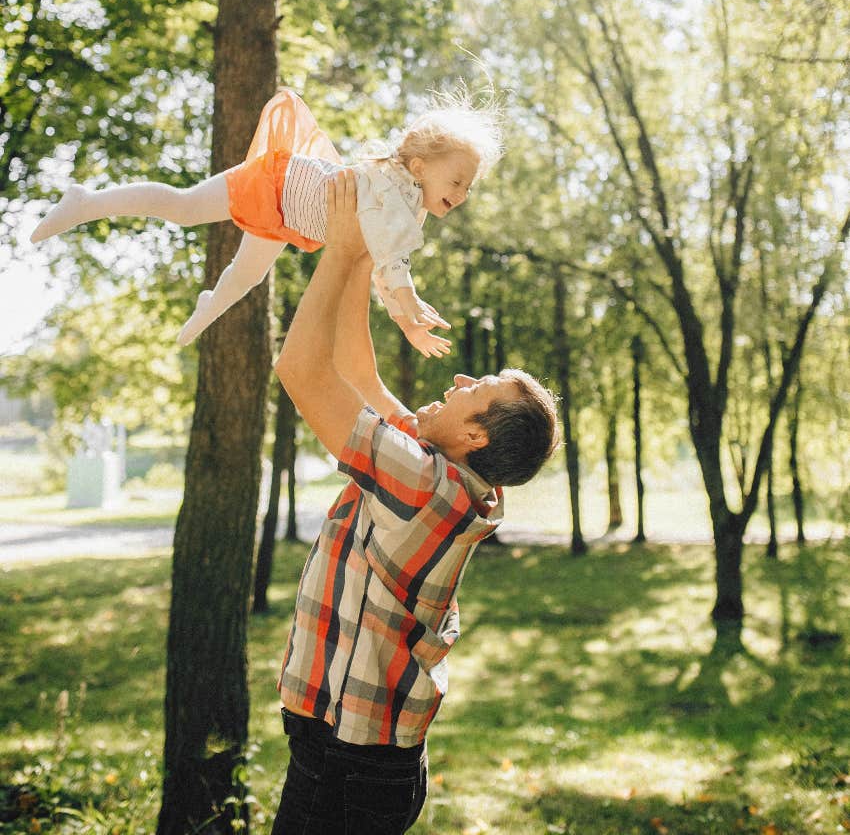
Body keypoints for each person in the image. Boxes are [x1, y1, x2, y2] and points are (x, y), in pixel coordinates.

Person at [271, 170, 558, 834]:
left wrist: (342, 252)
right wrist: (368, 246)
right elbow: (355, 365)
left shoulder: (426, 485)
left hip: (349, 763)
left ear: (474, 433)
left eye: (475, 386)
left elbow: (303, 370)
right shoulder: (439, 470)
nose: (458, 377)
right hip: (347, 749)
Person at [30, 87, 501, 355]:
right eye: (457, 181)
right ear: (419, 166)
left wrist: (407, 321)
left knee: (249, 275)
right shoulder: (391, 188)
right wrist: (409, 303)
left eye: (468, 188)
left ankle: (209, 305)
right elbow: (393, 262)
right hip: (276, 185)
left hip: (286, 218)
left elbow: (382, 266)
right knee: (185, 207)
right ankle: (86, 201)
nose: (460, 195)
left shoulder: (406, 208)